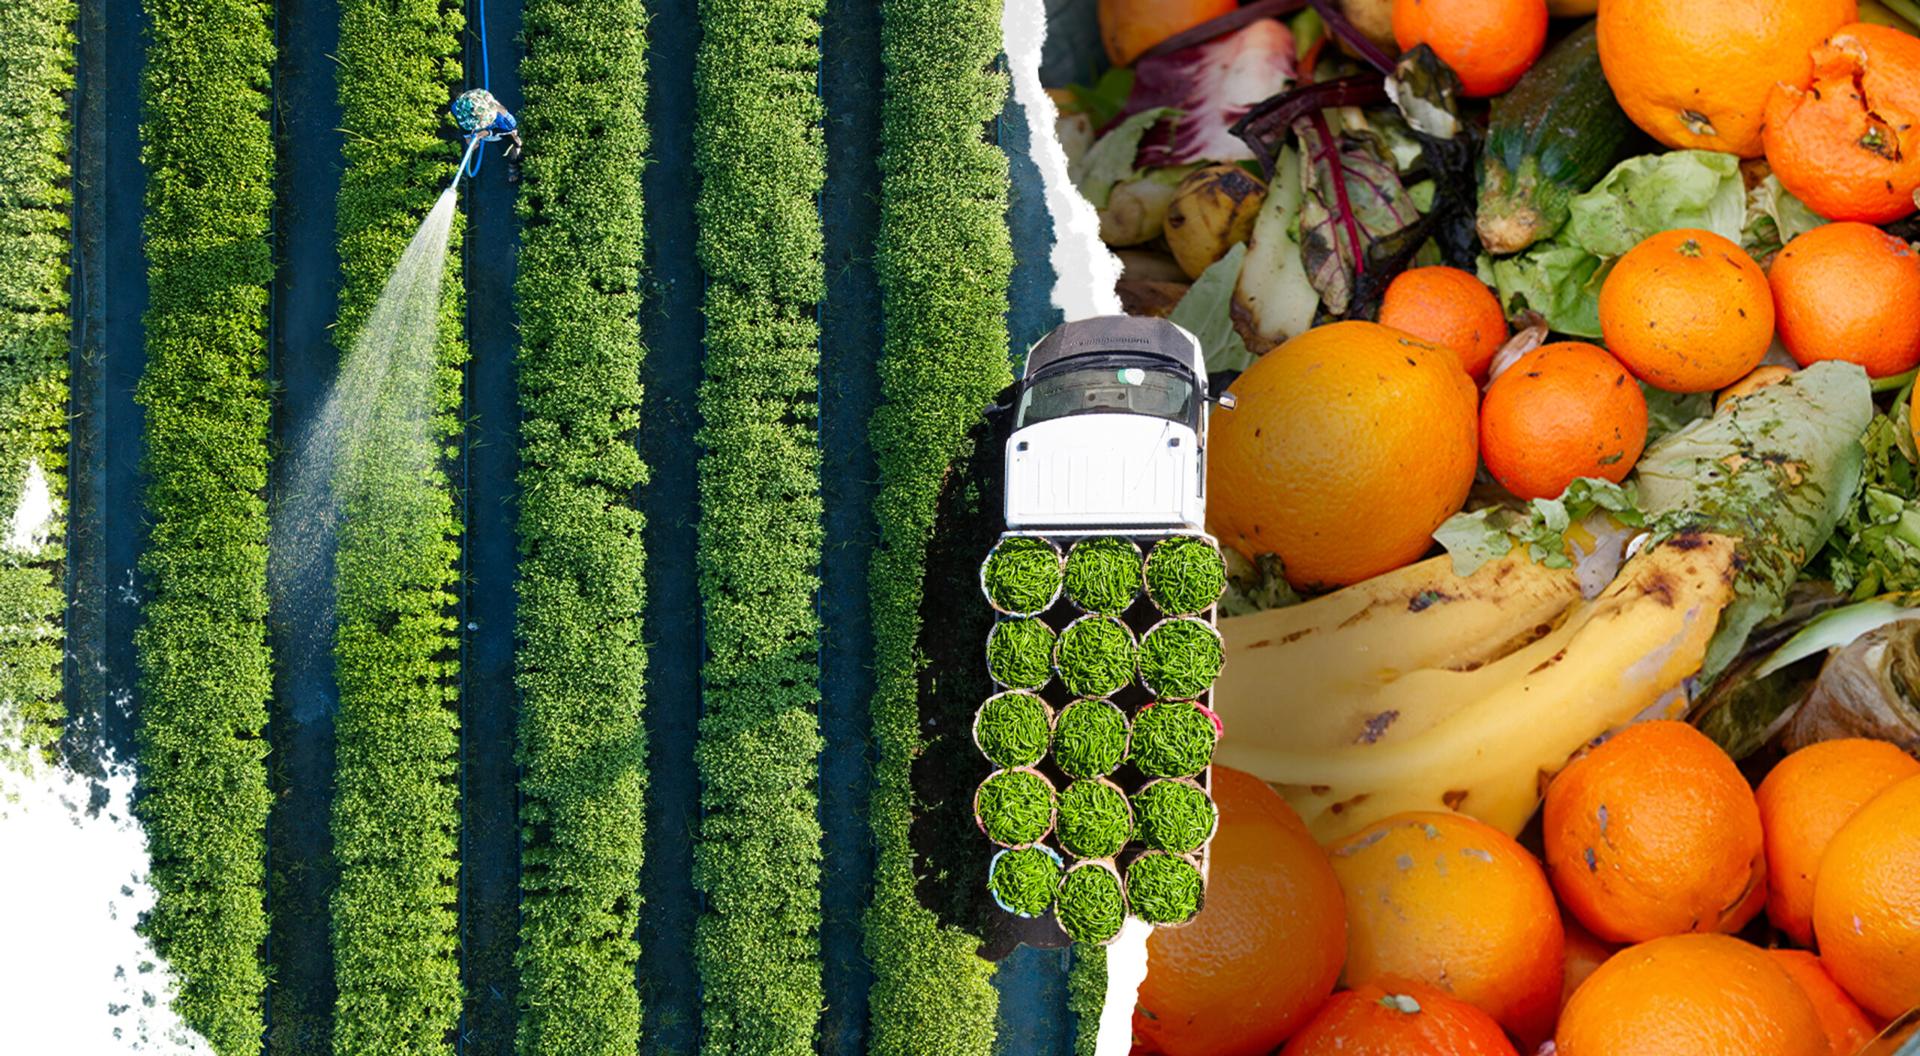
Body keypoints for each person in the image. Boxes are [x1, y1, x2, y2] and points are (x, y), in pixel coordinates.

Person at [449, 88, 523, 182]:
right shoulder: (458, 108)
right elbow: (462, 124)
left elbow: (509, 131)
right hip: (487, 135)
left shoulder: (503, 118)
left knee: (509, 149)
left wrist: (489, 132)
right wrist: (467, 137)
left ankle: (514, 163)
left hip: (501, 134)